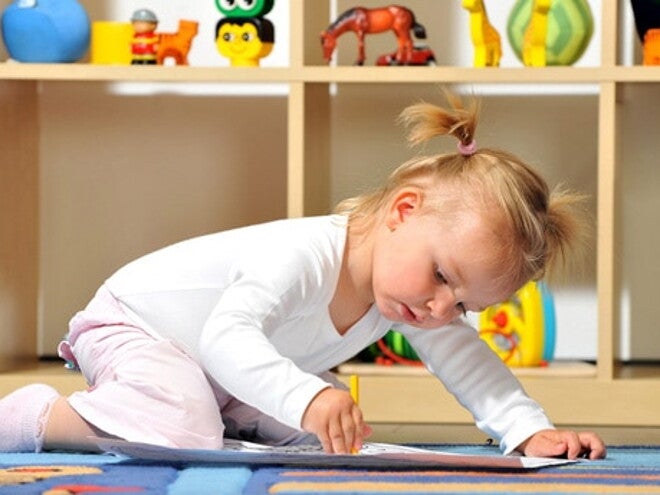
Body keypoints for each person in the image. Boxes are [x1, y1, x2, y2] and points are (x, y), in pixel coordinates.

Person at [0, 90, 606, 460]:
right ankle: (32, 417)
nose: (442, 310)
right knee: (186, 426)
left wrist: (529, 431)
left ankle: (216, 415)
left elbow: (468, 363)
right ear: (403, 210)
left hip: (216, 370)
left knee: (328, 420)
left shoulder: (407, 295)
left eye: (464, 306)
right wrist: (304, 393)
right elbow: (225, 336)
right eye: (443, 276)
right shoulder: (307, 254)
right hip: (137, 327)